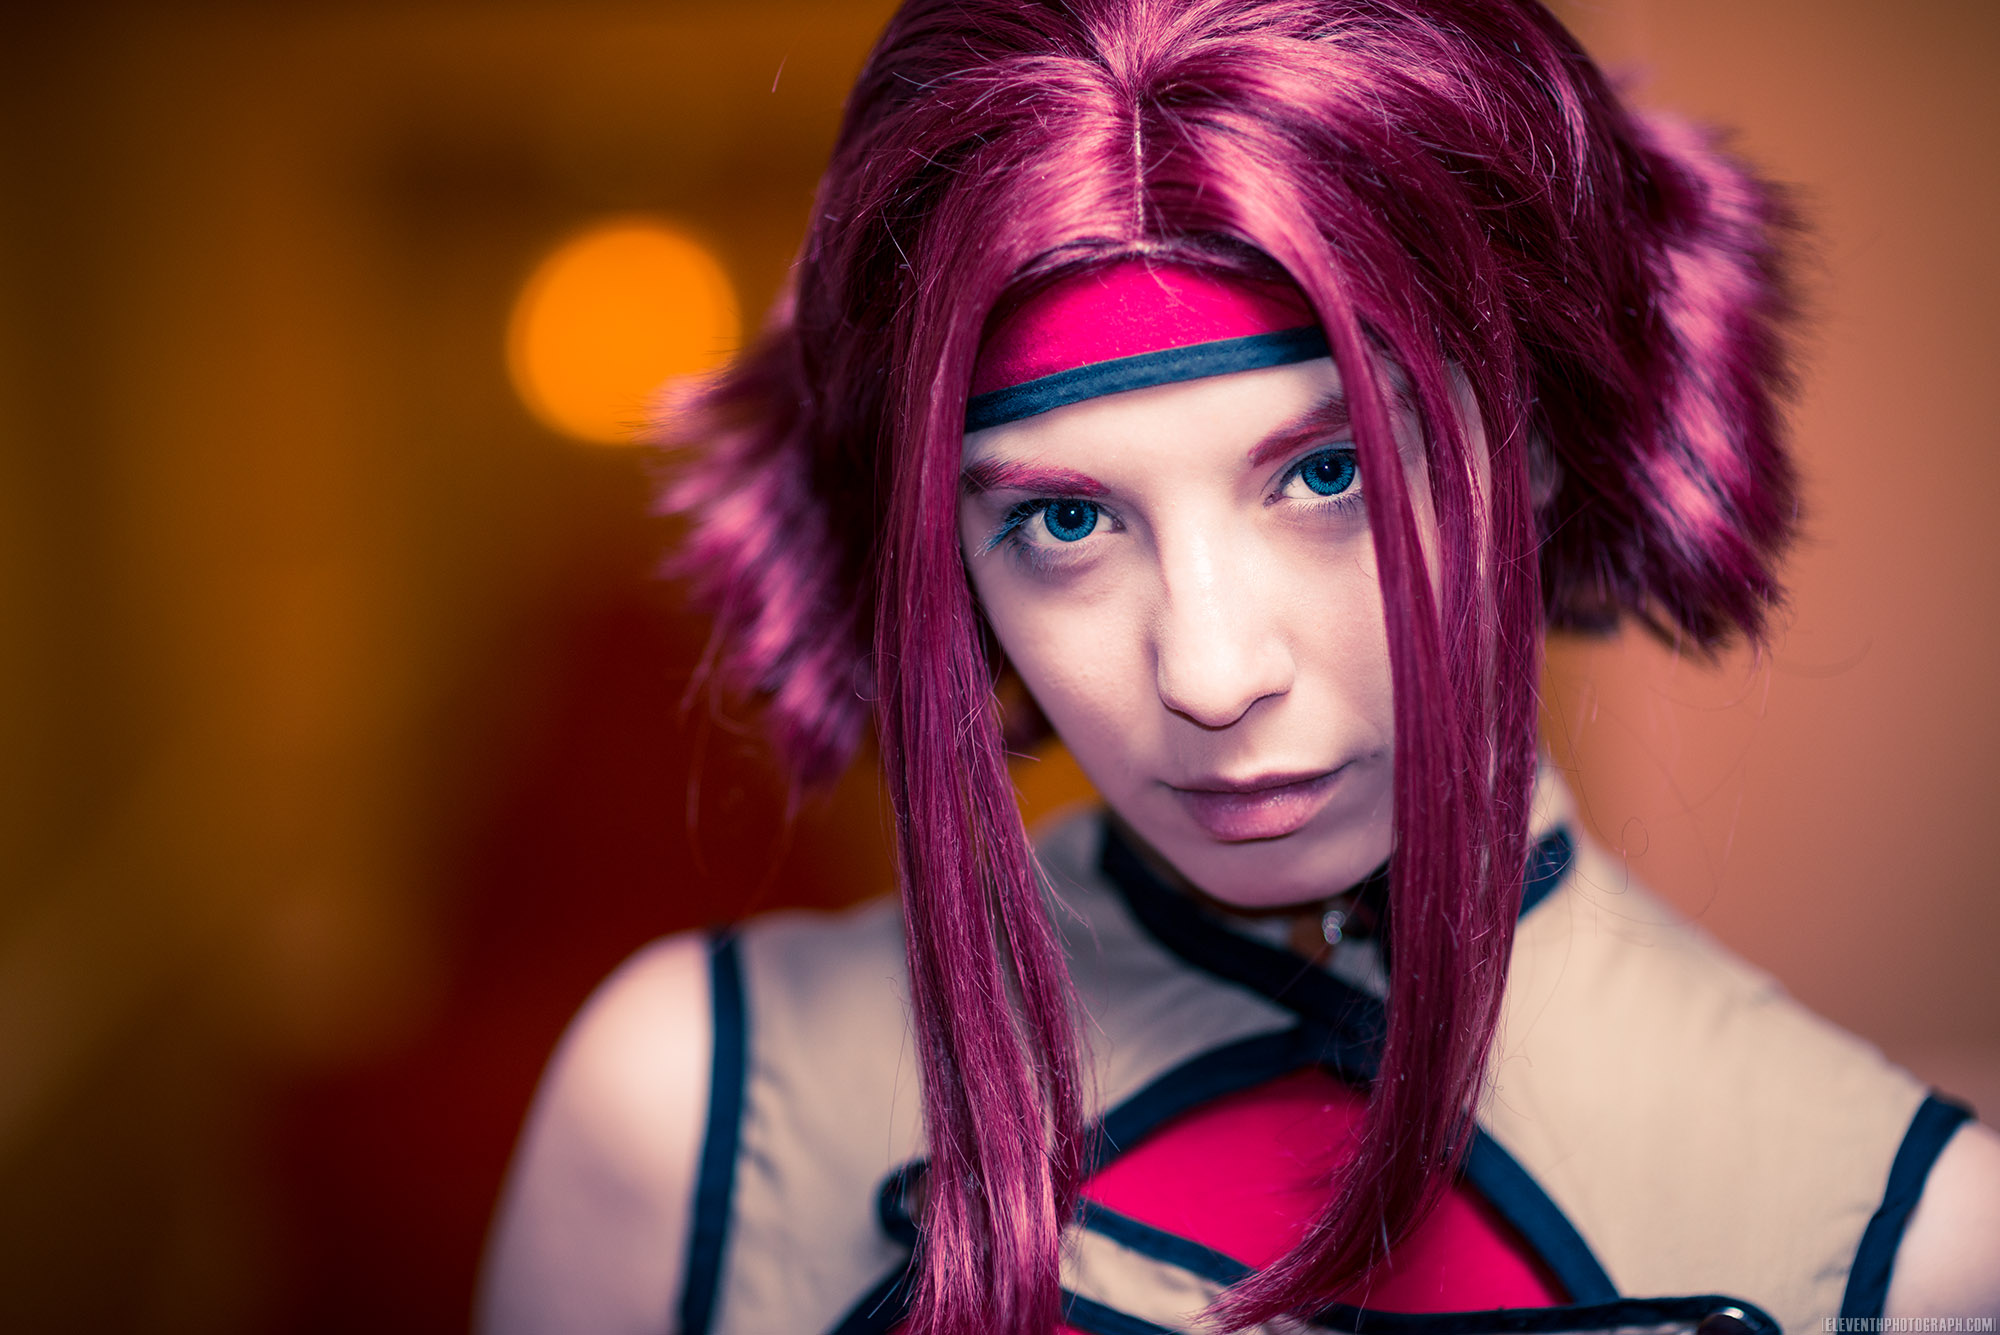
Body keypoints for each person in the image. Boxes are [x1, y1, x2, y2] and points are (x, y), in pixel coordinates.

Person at [477, 2, 2000, 1332]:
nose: (1211, 676)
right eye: (1066, 519)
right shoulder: (686, 1116)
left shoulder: (1917, 1242)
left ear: (1537, 449)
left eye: (1332, 473)